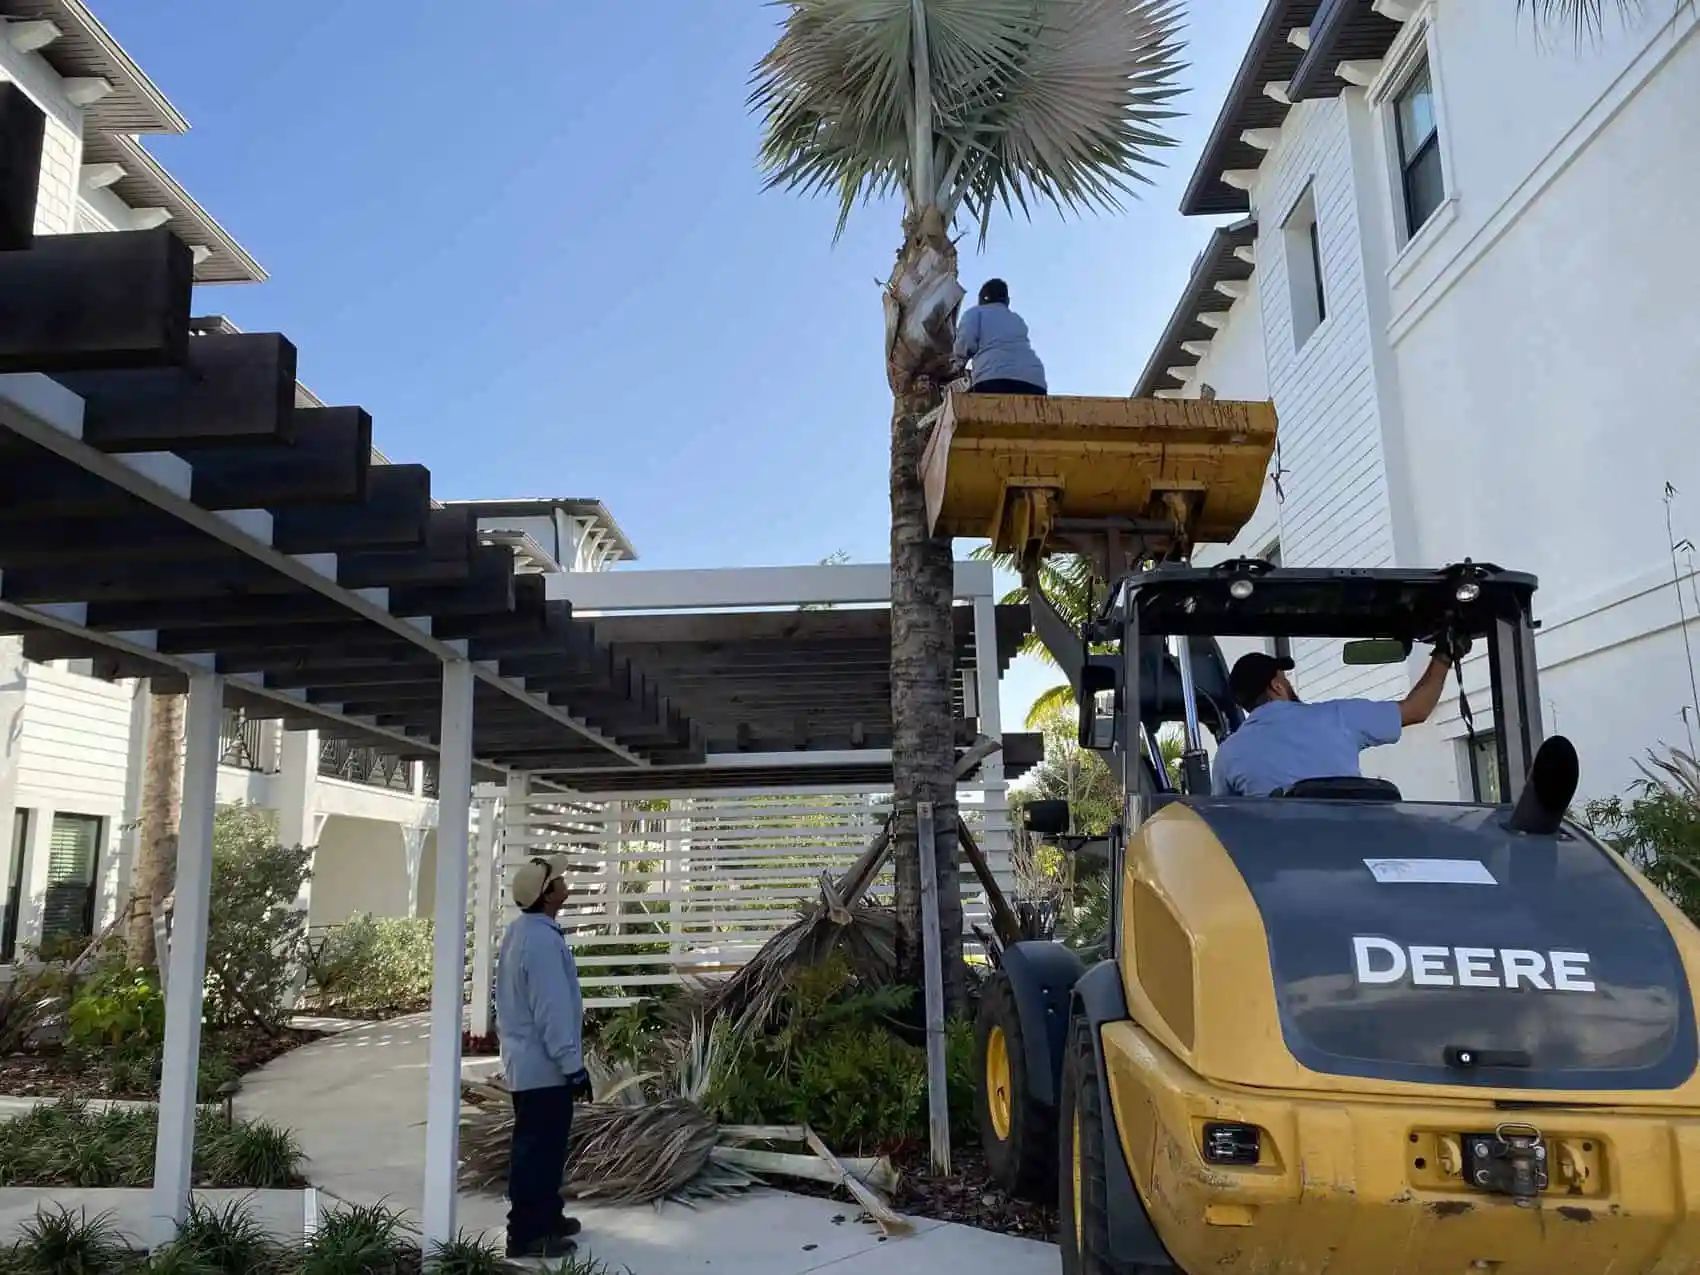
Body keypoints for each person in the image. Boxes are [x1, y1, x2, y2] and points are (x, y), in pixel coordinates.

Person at [1212, 637, 1465, 798]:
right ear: (1277, 686)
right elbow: (1418, 709)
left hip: (1274, 866)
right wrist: (1444, 655)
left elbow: (1227, 820)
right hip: (1352, 849)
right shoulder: (1339, 715)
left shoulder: (1228, 753)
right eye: (1284, 679)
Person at [496, 856, 592, 1259]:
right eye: (559, 879)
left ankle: (548, 1217)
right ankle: (527, 1234)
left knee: (544, 1150)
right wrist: (572, 1067)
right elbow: (551, 1011)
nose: (565, 882)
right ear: (548, 894)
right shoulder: (539, 942)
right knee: (536, 1152)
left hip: (529, 1065)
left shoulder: (524, 933)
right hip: (544, 1069)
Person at [952, 278, 1048, 395]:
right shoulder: (1016, 319)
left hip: (994, 381)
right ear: (1006, 300)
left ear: (981, 299)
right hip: (1035, 383)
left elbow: (964, 345)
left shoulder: (976, 313)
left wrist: (955, 366)